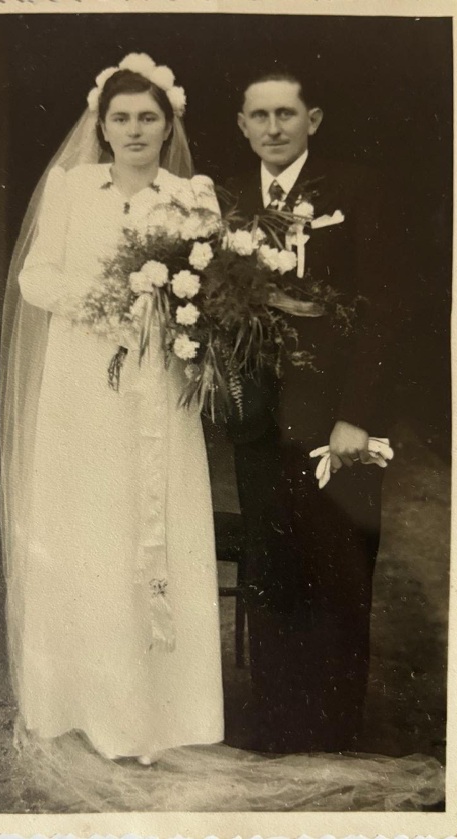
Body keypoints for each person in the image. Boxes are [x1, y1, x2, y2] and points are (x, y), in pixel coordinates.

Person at [0, 54, 224, 766]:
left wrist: (171, 309)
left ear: (168, 126)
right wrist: (101, 302)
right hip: (81, 383)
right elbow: (35, 277)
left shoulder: (192, 198)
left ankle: (164, 710)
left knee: (152, 518)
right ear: (100, 127)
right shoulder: (71, 189)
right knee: (88, 527)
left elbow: (212, 293)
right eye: (120, 118)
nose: (134, 130)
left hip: (157, 381)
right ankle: (83, 701)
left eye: (147, 118)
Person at [224, 69, 401, 753]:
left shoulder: (355, 190)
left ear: (312, 120)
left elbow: (384, 310)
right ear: (242, 125)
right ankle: (276, 728)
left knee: (338, 569)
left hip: (335, 422)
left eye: (286, 114)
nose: (273, 128)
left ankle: (332, 734)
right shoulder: (229, 201)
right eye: (260, 116)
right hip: (261, 423)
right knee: (272, 572)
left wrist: (358, 413)